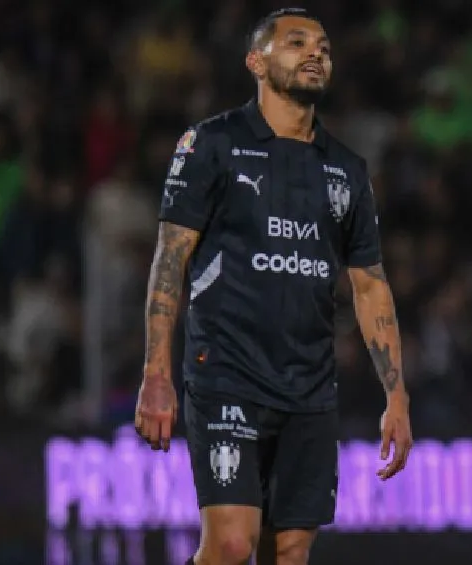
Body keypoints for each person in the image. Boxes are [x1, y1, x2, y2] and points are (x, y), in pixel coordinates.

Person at [133, 8, 413, 565]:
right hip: (227, 373)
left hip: (310, 386)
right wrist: (157, 373)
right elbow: (171, 258)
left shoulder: (346, 169)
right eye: (296, 43)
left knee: (288, 551)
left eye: (324, 47)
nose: (315, 54)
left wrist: (396, 395)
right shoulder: (212, 144)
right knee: (232, 545)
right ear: (256, 63)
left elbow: (369, 285)